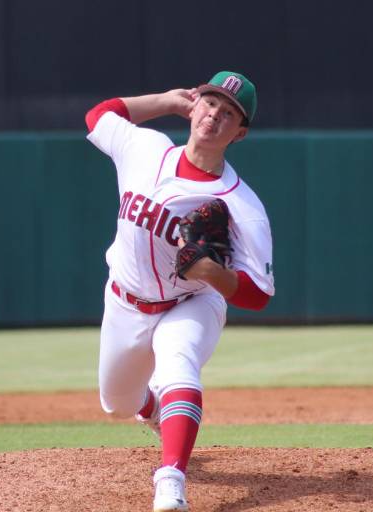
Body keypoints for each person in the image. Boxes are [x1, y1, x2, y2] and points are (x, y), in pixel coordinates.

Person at [85, 71, 275, 512]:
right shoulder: (145, 149)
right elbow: (98, 117)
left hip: (190, 302)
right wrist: (166, 101)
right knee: (118, 403)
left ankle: (170, 479)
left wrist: (213, 274)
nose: (215, 115)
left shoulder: (241, 205)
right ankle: (153, 410)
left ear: (239, 133)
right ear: (195, 106)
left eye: (229, 113)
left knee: (178, 363)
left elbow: (259, 294)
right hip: (125, 301)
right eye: (210, 103)